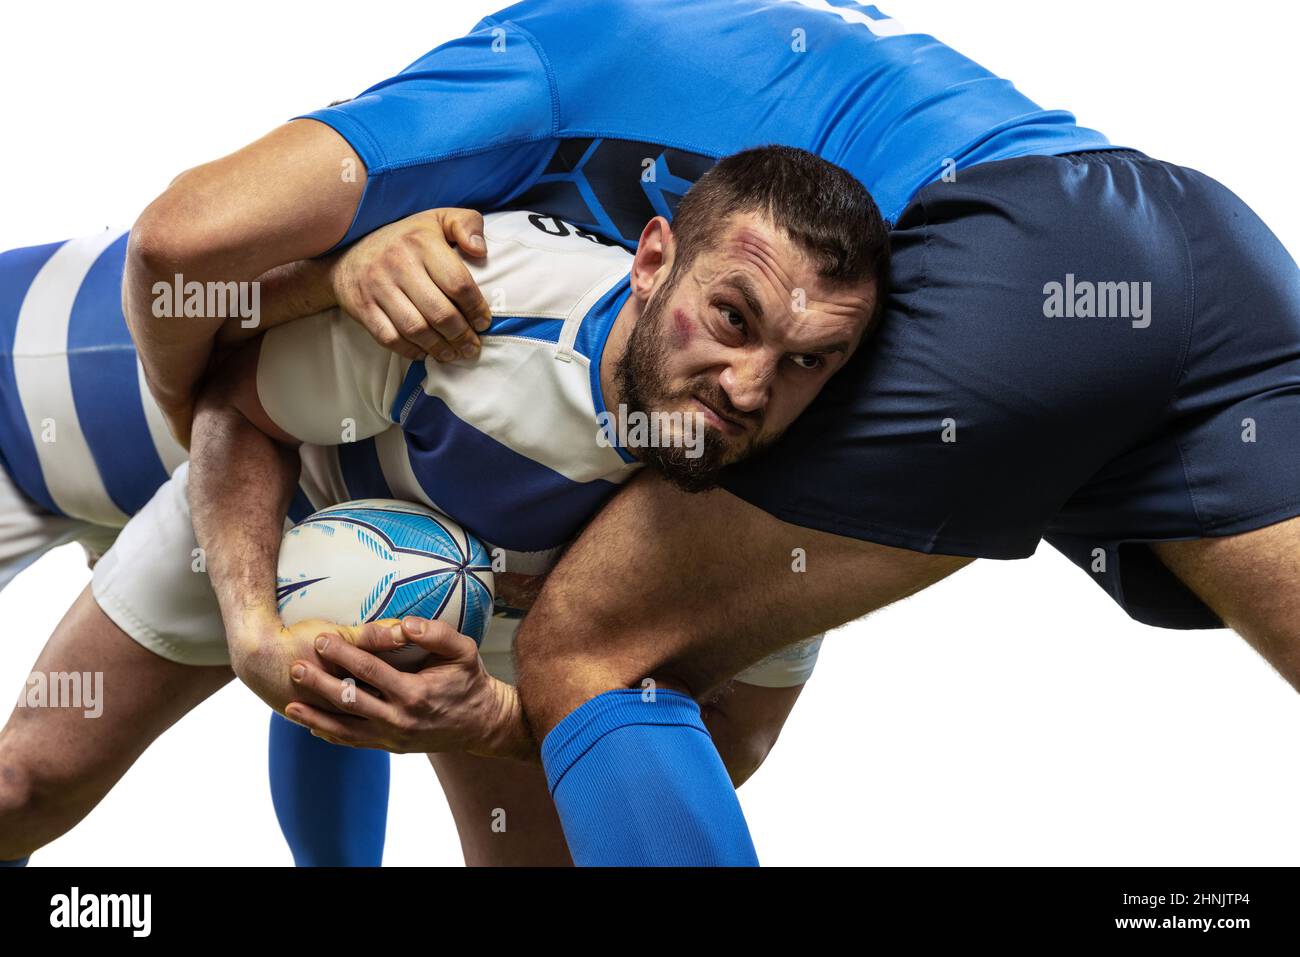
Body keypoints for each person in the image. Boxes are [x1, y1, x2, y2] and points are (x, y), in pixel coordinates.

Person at [122, 0, 1298, 863]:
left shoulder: (554, 45)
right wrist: (334, 276)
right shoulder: (780, 43)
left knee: (587, 654)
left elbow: (180, 245)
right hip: (1210, 253)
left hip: (1014, 261)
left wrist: (231, 396)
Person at [0, 146, 886, 866]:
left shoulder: (783, 497)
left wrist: (500, 724)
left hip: (502, 631)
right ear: (653, 261)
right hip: (285, 507)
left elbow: (737, 741)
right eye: (733, 318)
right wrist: (252, 627)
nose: (748, 386)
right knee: (24, 786)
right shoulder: (484, 295)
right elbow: (239, 406)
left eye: (809, 360)